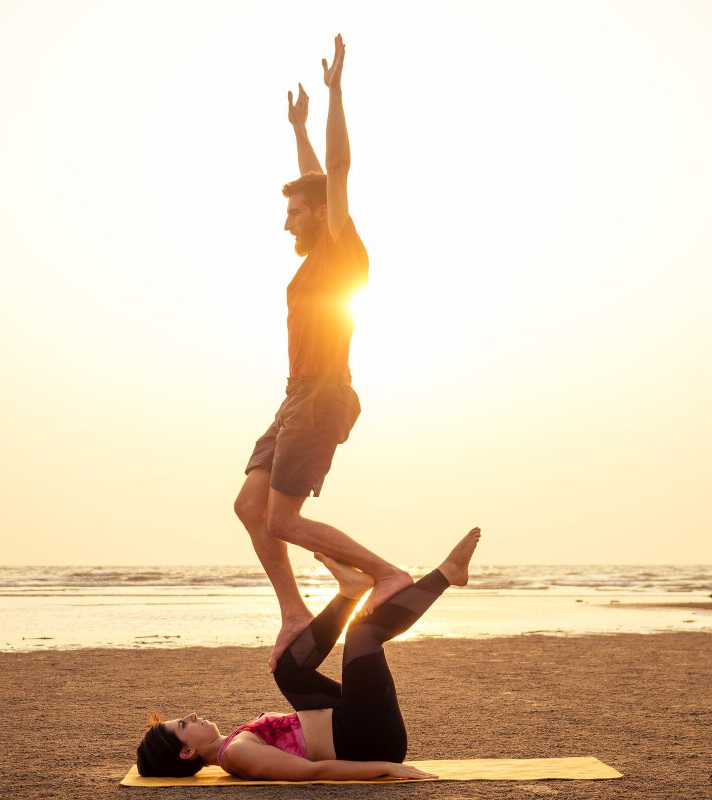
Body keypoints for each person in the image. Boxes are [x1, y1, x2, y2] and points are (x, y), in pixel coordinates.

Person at [233, 33, 411, 673]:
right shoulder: (314, 259)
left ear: (319, 215)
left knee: (282, 519)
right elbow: (317, 178)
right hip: (294, 394)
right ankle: (294, 611)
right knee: (250, 509)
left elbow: (334, 176)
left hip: (324, 392)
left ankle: (381, 573)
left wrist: (335, 95)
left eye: (293, 212)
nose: (286, 221)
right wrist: (300, 129)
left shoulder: (343, 255)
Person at [136, 529, 481, 781]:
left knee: (287, 670)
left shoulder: (234, 743)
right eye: (183, 724)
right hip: (370, 741)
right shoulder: (237, 755)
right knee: (363, 635)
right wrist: (387, 767)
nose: (192, 715)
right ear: (187, 752)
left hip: (351, 723)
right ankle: (448, 574)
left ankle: (350, 592)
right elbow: (312, 771)